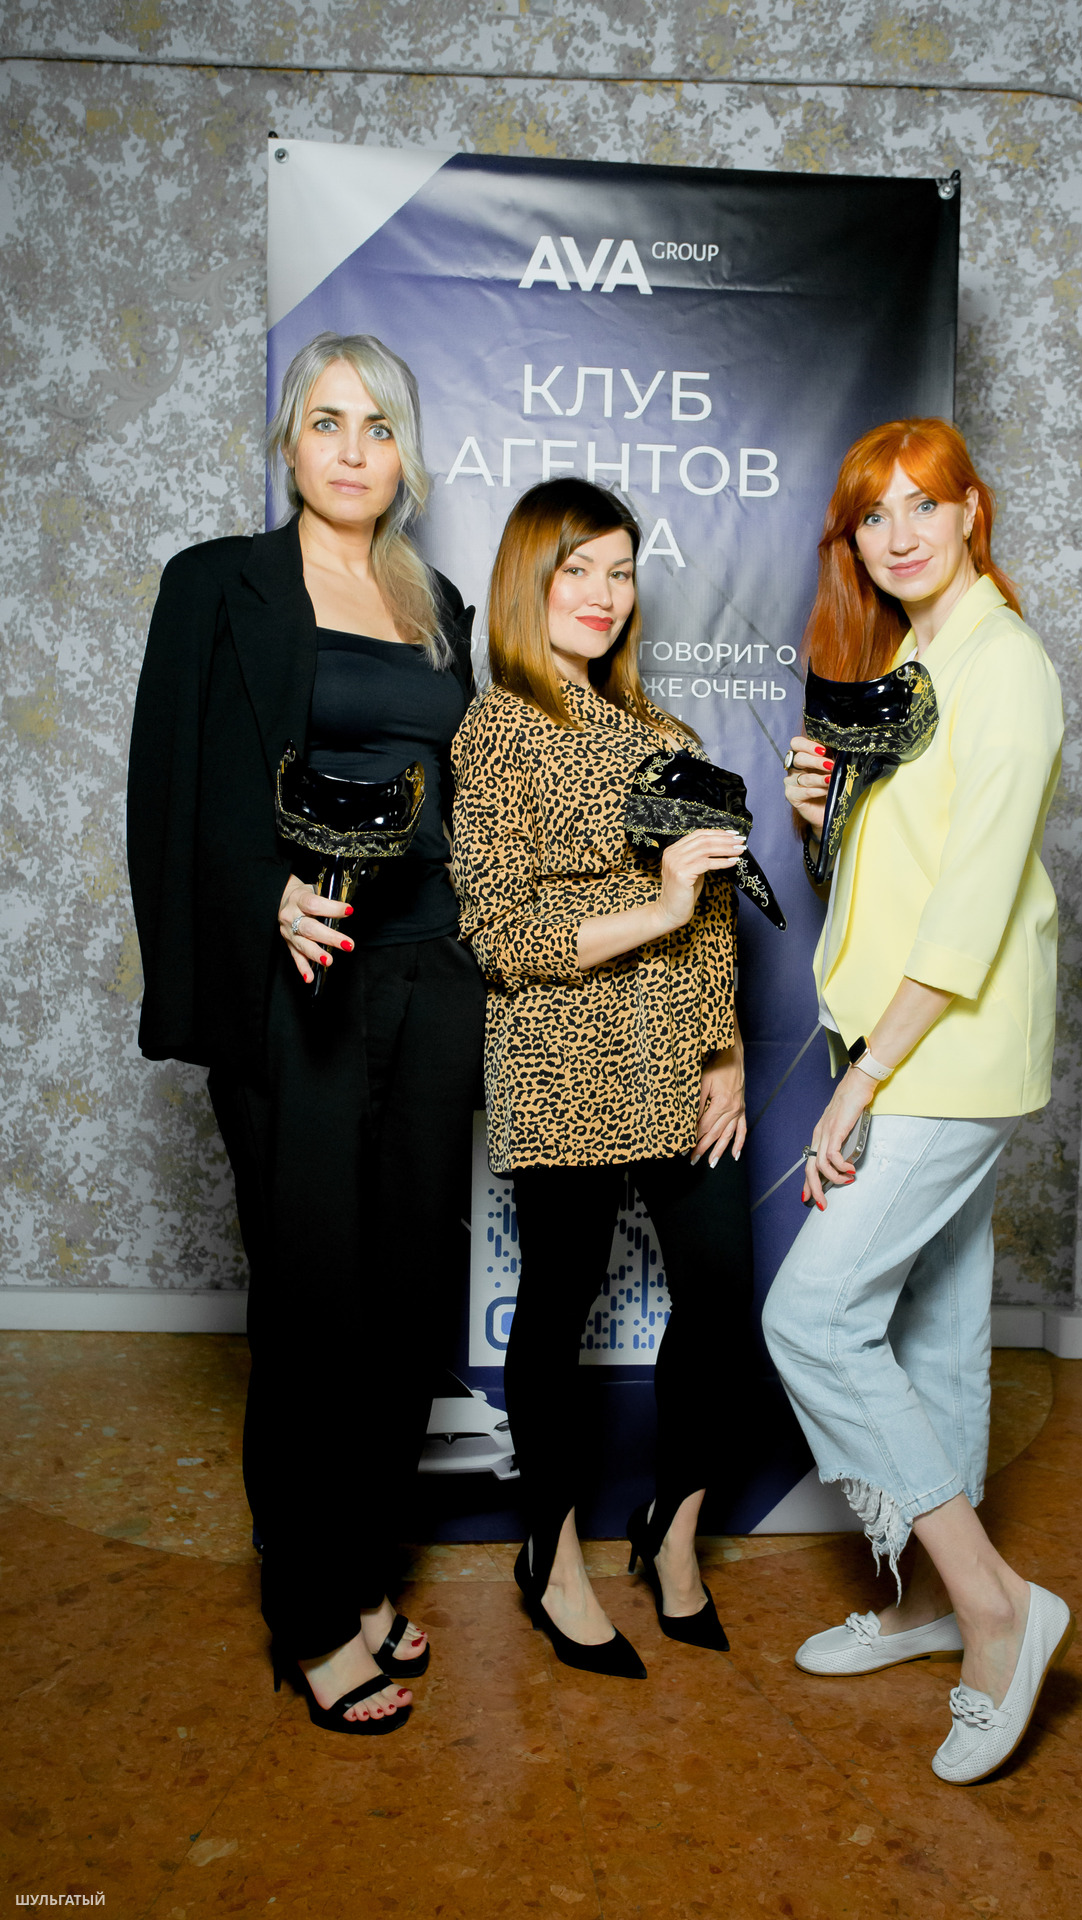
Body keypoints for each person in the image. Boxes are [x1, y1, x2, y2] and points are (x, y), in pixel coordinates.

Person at [127, 332, 485, 1734]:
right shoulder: (217, 584)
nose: (351, 449)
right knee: (313, 1309)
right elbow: (173, 789)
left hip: (429, 983)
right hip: (299, 991)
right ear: (289, 443)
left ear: (404, 456)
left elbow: (460, 796)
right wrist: (264, 891)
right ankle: (310, 1614)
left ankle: (364, 1570)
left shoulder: (435, 602)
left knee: (406, 1307)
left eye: (377, 426)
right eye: (327, 421)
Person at [762, 417, 1074, 1784]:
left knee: (813, 1318)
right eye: (871, 515)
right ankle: (934, 1606)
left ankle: (999, 1609)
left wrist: (863, 1080)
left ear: (969, 513)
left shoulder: (1003, 666)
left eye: (921, 506)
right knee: (939, 1329)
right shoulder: (911, 665)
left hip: (941, 1056)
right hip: (907, 1042)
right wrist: (817, 815)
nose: (897, 535)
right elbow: (889, 884)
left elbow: (969, 908)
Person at [451, 478, 753, 1679]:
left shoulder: (663, 733)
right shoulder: (497, 728)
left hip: (676, 1049)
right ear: (527, 580)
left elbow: (711, 915)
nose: (601, 593)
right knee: (559, 1303)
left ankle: (671, 1529)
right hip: (561, 1053)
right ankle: (553, 1554)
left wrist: (726, 1052)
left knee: (720, 1298)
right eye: (575, 568)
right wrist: (656, 906)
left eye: (619, 572)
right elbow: (498, 934)